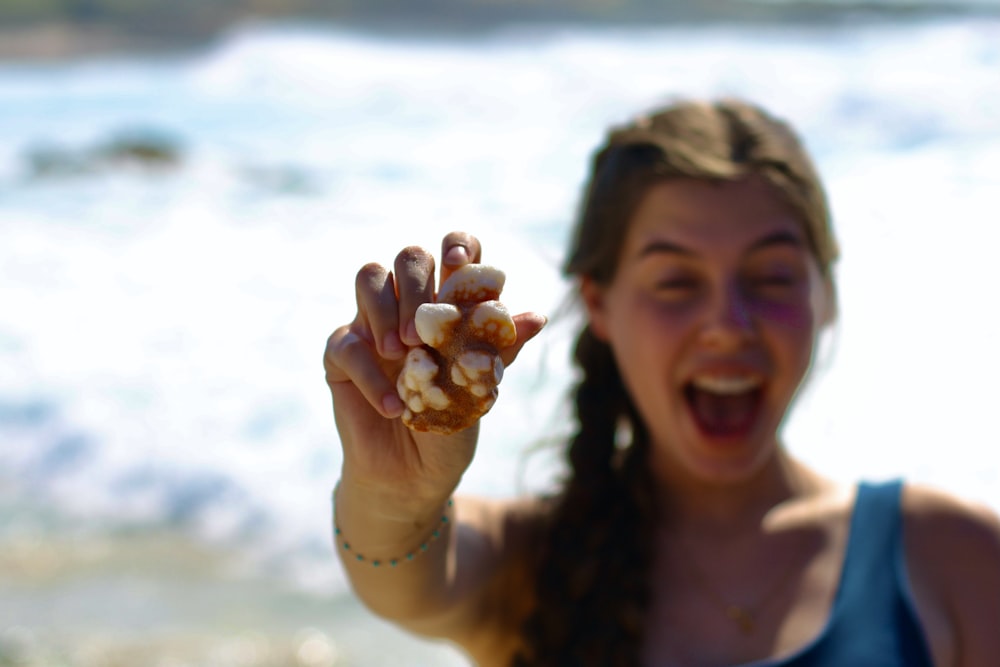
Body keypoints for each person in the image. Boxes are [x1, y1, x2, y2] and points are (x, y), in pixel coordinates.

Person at [323, 98, 1000, 667]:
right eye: (675, 281)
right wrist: (392, 491)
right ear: (600, 303)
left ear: (825, 296)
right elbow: (402, 577)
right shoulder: (532, 563)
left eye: (771, 278)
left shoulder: (953, 557)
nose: (727, 324)